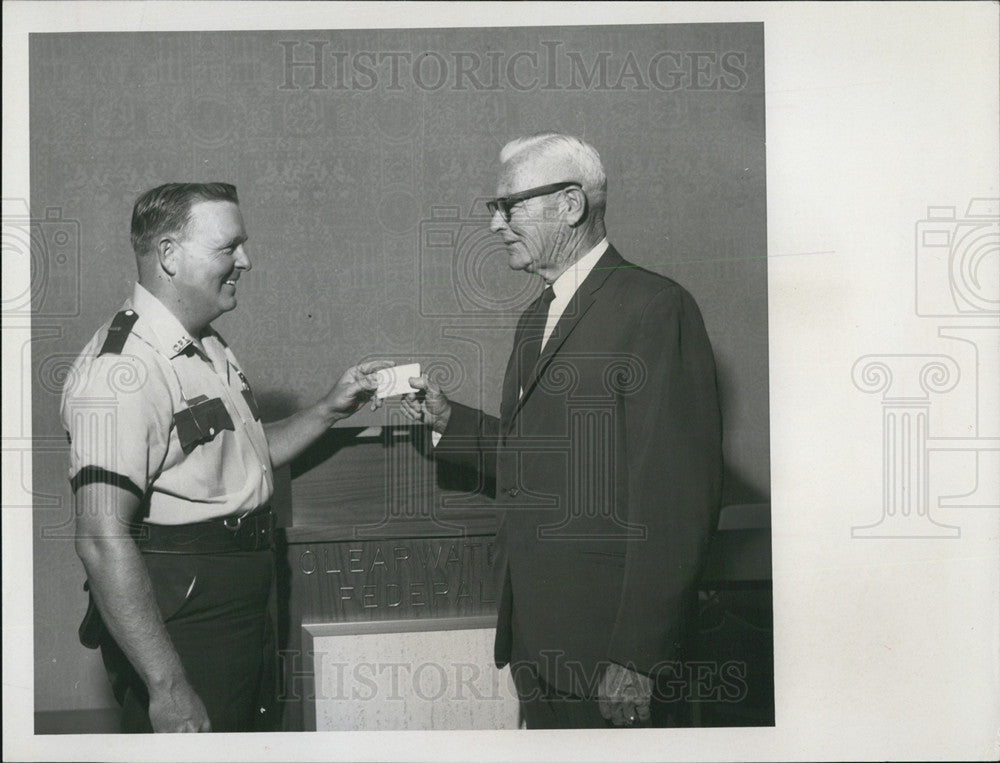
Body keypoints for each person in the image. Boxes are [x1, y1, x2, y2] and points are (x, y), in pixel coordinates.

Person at [402, 134, 723, 729]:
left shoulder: (656, 308)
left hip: (610, 655)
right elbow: (546, 464)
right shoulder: (537, 317)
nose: (496, 224)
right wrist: (454, 424)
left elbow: (678, 501)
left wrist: (638, 657)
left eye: (509, 206)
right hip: (538, 646)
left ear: (570, 205)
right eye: (493, 209)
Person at [62, 182, 390, 733]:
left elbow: (247, 460)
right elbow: (100, 538)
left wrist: (328, 410)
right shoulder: (119, 373)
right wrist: (167, 688)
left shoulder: (206, 344)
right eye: (228, 247)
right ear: (168, 255)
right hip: (187, 617)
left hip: (242, 595)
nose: (247, 260)